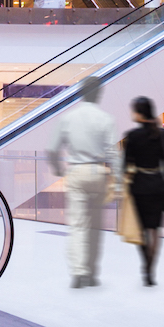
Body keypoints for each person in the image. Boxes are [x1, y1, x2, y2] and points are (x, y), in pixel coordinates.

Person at [47, 75, 117, 288]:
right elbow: (113, 153)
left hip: (76, 172)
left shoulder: (68, 118)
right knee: (95, 226)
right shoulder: (106, 119)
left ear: (81, 94)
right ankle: (92, 274)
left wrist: (58, 168)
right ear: (99, 94)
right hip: (98, 172)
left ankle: (78, 273)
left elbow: (51, 149)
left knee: (78, 225)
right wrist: (120, 180)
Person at [123, 96, 164, 286]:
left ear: (138, 113)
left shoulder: (132, 136)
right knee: (155, 230)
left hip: (139, 187)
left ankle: (145, 264)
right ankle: (150, 269)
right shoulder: (162, 135)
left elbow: (126, 166)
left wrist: (127, 185)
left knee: (143, 230)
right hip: (159, 186)